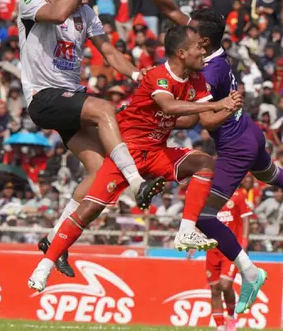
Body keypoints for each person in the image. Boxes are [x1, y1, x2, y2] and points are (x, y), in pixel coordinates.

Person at [112, 0, 283, 311]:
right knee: (270, 173)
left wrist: (171, 116)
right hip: (251, 133)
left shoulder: (208, 74)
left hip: (233, 145)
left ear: (200, 39)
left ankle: (249, 272)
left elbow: (207, 121)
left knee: (204, 217)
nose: (185, 26)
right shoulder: (211, 49)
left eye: (191, 27)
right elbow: (171, 11)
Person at [28, 25, 248, 288]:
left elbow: (201, 120)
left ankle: (186, 230)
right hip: (127, 151)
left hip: (156, 152)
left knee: (204, 162)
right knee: (89, 210)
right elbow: (168, 105)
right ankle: (44, 265)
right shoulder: (157, 75)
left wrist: (229, 108)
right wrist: (216, 104)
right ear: (181, 53)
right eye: (198, 47)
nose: (204, 51)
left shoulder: (196, 81)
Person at [17, 0, 161, 278]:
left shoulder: (87, 13)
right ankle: (137, 181)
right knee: (104, 108)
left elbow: (109, 51)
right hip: (43, 97)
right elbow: (56, 15)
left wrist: (138, 76)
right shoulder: (29, 4)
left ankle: (54, 241)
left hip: (70, 98)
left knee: (101, 178)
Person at [206, 183, 252, 331]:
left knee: (225, 285)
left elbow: (245, 219)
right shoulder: (208, 196)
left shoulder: (238, 195)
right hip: (212, 248)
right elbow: (199, 219)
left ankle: (231, 316)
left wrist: (244, 242)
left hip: (231, 248)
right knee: (214, 289)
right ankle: (220, 326)